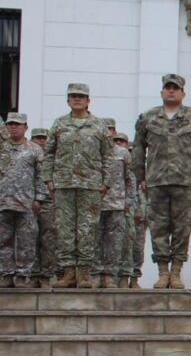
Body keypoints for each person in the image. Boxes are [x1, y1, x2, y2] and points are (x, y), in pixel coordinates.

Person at [133, 73, 191, 289]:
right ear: (161, 92)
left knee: (181, 229)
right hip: (156, 182)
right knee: (158, 228)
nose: (171, 91)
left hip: (185, 182)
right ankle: (162, 272)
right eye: (168, 87)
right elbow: (138, 149)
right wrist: (140, 176)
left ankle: (176, 272)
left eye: (175, 88)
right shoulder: (147, 118)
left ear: (182, 93)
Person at [43, 83, 113, 288]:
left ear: (88, 100)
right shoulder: (59, 124)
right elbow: (49, 153)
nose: (77, 99)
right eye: (73, 96)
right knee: (64, 228)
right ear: (68, 100)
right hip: (64, 184)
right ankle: (68, 273)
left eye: (81, 96)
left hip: (90, 185)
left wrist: (106, 183)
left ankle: (83, 273)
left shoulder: (98, 125)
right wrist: (49, 178)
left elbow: (108, 155)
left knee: (87, 228)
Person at [0, 113, 44, 288]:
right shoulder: (1, 148)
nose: (13, 127)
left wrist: (40, 198)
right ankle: (6, 274)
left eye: (17, 124)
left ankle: (22, 275)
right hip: (3, 202)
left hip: (26, 203)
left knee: (27, 240)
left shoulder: (34, 149)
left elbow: (41, 175)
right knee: (4, 241)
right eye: (10, 124)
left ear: (26, 127)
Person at [92, 118, 134, 289]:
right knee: (94, 239)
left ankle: (110, 274)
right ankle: (95, 273)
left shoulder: (123, 153)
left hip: (117, 203)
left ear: (115, 132)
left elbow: (129, 179)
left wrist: (128, 200)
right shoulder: (92, 151)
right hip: (95, 203)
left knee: (115, 241)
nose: (108, 132)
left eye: (111, 129)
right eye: (105, 129)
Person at [113, 132, 142, 288]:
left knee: (133, 246)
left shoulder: (137, 167)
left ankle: (130, 277)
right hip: (113, 207)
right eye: (116, 140)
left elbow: (141, 191)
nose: (119, 143)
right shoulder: (110, 162)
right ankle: (113, 276)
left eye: (122, 141)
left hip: (133, 211)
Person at [28, 127, 55, 288]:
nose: (42, 141)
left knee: (49, 240)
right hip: (29, 202)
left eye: (44, 138)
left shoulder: (55, 157)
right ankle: (33, 274)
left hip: (49, 202)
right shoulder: (28, 156)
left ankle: (46, 275)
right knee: (30, 239)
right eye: (38, 138)